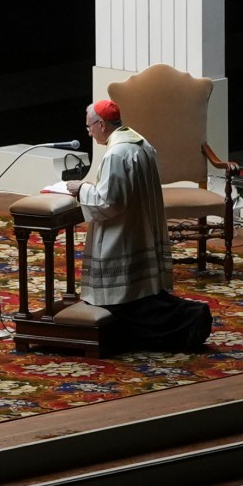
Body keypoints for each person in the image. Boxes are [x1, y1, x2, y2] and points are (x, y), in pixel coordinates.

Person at [79, 99, 215, 352]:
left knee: (122, 301)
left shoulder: (117, 153)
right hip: (139, 228)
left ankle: (189, 320)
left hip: (121, 235)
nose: (88, 132)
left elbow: (109, 202)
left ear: (101, 124)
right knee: (139, 294)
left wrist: (81, 190)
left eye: (89, 126)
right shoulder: (139, 143)